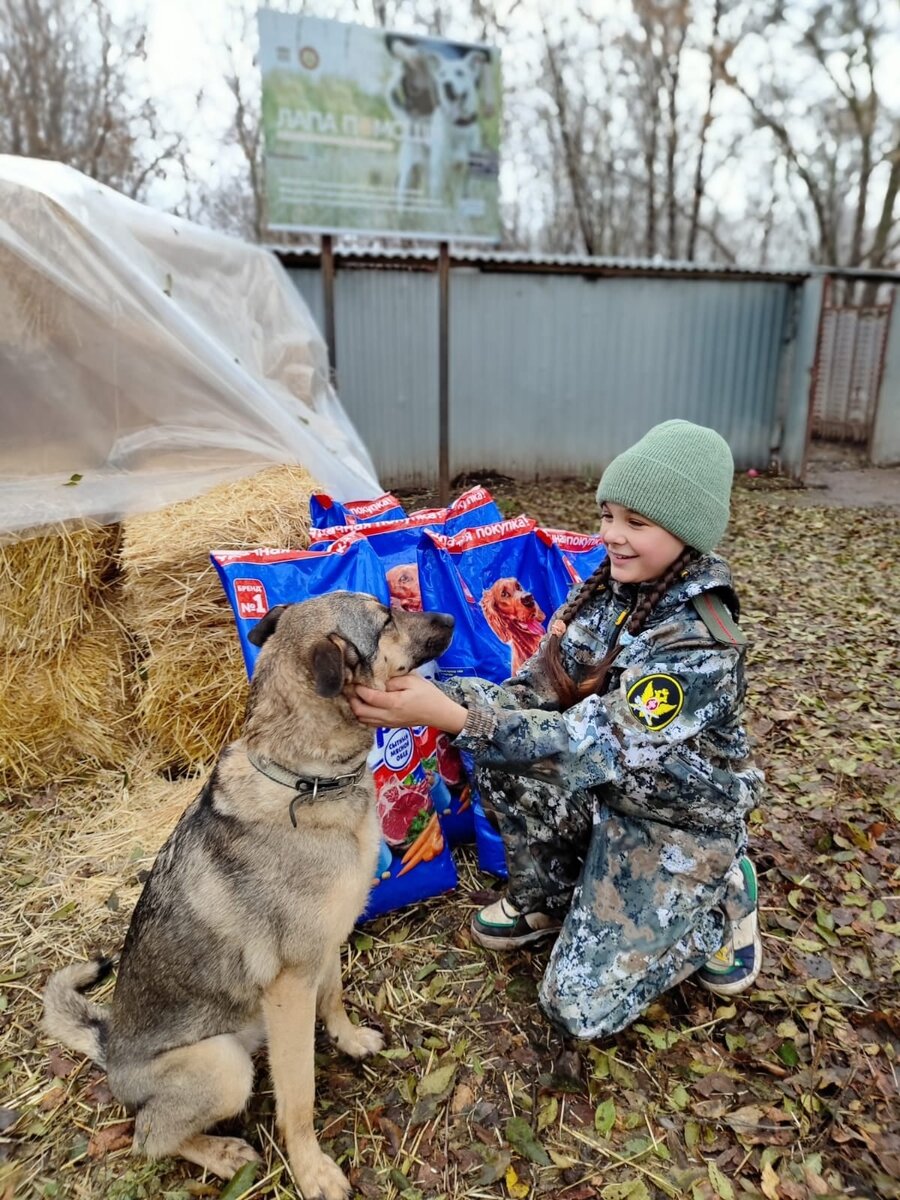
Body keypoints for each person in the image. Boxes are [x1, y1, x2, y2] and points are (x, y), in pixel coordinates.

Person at [350, 420, 763, 1041]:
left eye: (637, 523)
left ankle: (721, 898)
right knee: (497, 742)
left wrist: (455, 717)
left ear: (688, 533)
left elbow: (595, 747)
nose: (613, 537)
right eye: (608, 514)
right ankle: (552, 894)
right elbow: (530, 698)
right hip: (607, 794)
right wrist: (435, 697)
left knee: (576, 1007)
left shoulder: (699, 639)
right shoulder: (611, 592)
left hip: (675, 822)